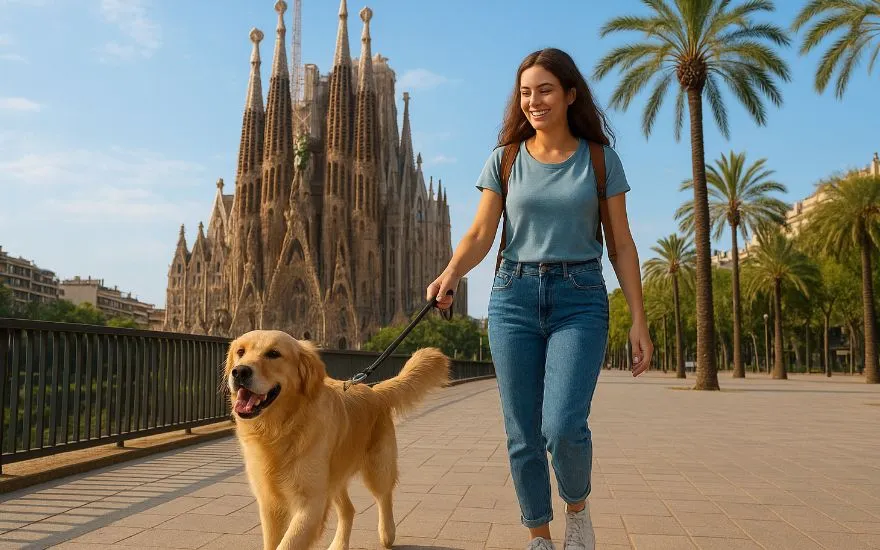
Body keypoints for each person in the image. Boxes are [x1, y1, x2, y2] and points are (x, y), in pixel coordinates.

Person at [426, 48, 653, 550]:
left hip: (581, 297)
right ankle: (539, 538)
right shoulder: (504, 159)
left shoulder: (599, 159)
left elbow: (621, 243)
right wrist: (450, 273)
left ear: (571, 94)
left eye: (545, 89)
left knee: (563, 426)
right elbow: (482, 233)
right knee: (522, 433)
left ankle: (577, 510)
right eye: (526, 92)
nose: (534, 100)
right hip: (513, 296)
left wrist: (638, 319)